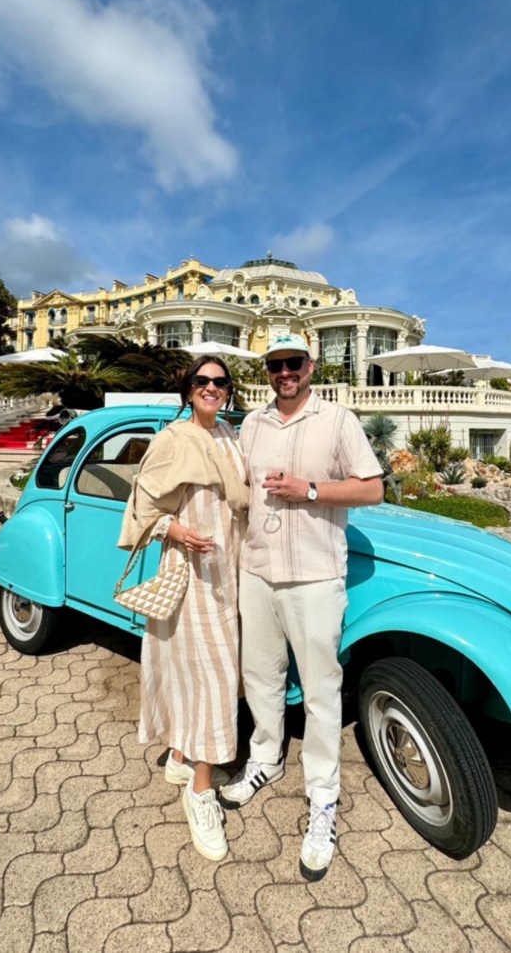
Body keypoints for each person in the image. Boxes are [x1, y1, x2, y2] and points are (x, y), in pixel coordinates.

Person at [220, 334, 384, 881]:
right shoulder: (253, 424)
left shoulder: (337, 420)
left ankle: (323, 798)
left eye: (293, 363)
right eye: (276, 365)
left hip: (314, 576)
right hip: (258, 570)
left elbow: (372, 490)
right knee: (260, 676)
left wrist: (309, 490)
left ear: (310, 366)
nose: (285, 372)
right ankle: (265, 759)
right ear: (268, 371)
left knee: (319, 690)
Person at [118, 357, 248, 862]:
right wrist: (176, 530)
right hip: (191, 571)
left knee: (198, 669)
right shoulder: (174, 439)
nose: (211, 388)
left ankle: (179, 754)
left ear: (228, 390)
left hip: (229, 571)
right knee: (214, 674)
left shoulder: (230, 437)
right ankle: (200, 789)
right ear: (189, 389)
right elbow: (142, 505)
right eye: (202, 381)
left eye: (220, 382)